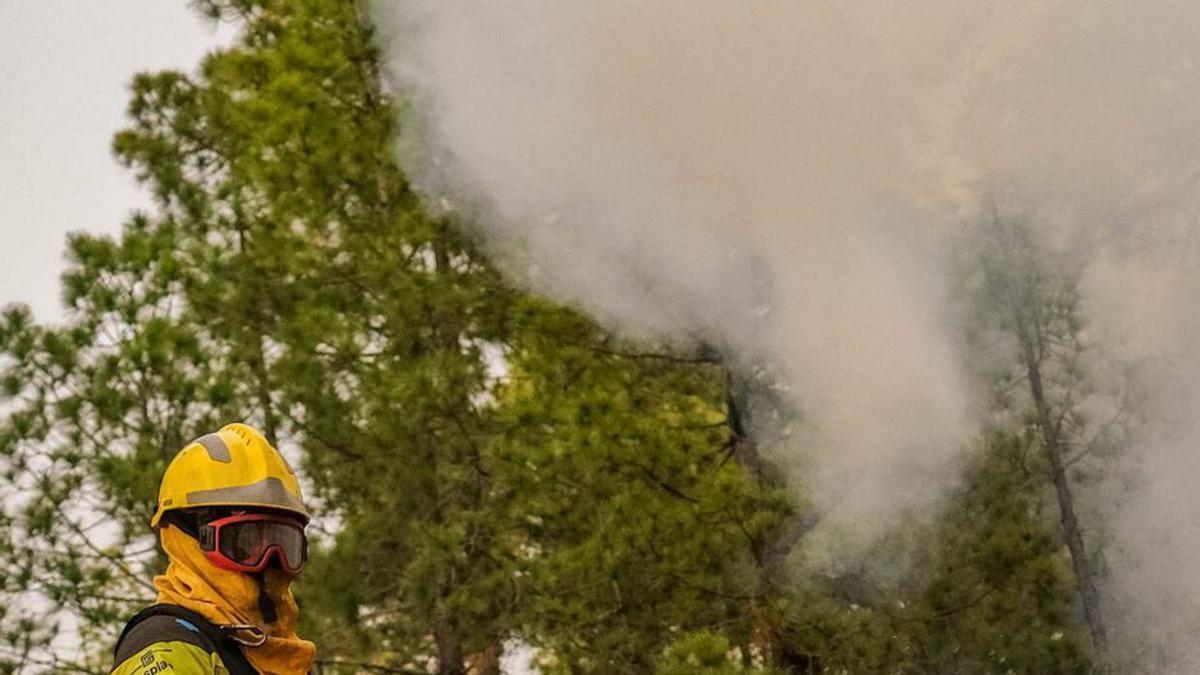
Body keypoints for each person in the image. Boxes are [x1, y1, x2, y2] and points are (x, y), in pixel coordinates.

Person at [110, 423, 317, 675]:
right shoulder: (165, 646)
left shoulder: (279, 656)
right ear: (187, 539)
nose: (269, 560)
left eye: (283, 542)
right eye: (245, 541)